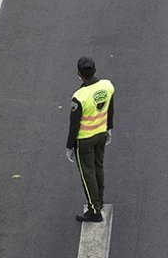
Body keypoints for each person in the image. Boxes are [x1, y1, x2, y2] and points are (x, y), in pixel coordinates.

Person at [66, 56, 115, 222]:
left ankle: (94, 210)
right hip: (101, 134)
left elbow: (74, 125)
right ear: (96, 70)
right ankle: (99, 200)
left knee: (88, 174)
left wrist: (69, 146)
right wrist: (108, 129)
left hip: (85, 140)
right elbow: (110, 110)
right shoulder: (107, 86)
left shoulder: (79, 97)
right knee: (98, 167)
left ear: (78, 74)